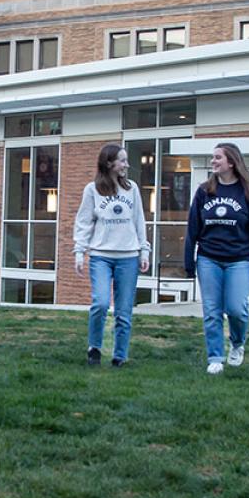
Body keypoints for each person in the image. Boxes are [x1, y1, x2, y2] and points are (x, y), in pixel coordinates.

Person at [183, 142, 249, 375]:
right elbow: (193, 228)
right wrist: (188, 262)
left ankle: (237, 343)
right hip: (208, 258)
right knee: (212, 310)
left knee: (236, 309)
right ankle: (215, 357)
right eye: (213, 158)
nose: (213, 161)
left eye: (217, 158)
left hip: (239, 259)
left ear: (231, 162)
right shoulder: (204, 191)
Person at [73, 143, 150, 367]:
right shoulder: (92, 190)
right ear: (109, 163)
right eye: (123, 160)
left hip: (128, 256)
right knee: (100, 303)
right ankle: (94, 347)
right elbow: (84, 222)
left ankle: (119, 356)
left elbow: (139, 221)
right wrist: (80, 251)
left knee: (124, 311)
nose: (127, 164)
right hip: (101, 256)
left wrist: (144, 250)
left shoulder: (132, 189)